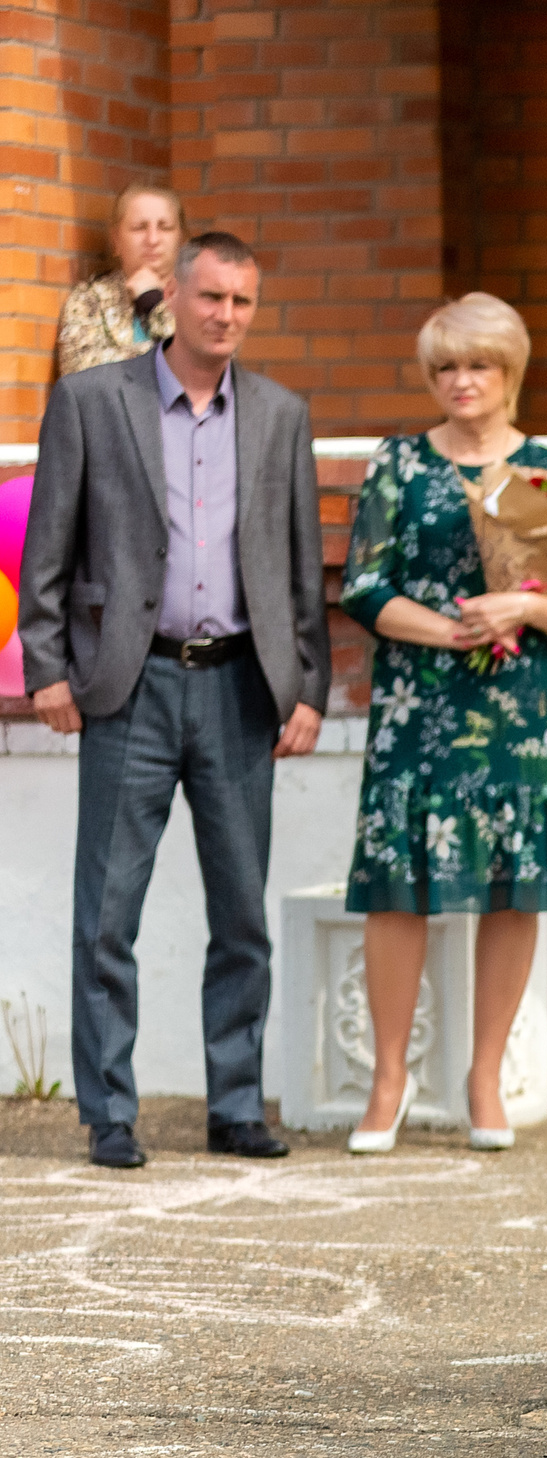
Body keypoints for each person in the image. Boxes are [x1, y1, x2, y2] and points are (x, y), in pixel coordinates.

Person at [20, 230, 328, 1170]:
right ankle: (108, 1112)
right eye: (211, 297)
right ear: (175, 301)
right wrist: (46, 667)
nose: (226, 315)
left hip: (242, 688)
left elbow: (300, 563)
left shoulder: (281, 414)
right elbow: (48, 546)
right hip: (130, 685)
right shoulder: (91, 401)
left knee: (242, 915)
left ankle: (235, 1106)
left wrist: (308, 684)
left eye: (242, 300)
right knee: (107, 914)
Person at [337, 293, 547, 1154]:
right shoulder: (398, 464)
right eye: (446, 366)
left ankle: (484, 1076)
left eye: (479, 364)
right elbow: (363, 589)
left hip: (524, 708)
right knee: (398, 886)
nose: (461, 380)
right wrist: (453, 628)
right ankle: (388, 1080)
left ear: (510, 371)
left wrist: (519, 609)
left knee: (513, 885)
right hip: (420, 703)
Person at [54, 183, 183, 378]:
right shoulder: (91, 299)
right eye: (139, 228)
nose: (152, 239)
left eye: (165, 228)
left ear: (181, 238)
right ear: (116, 240)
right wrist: (166, 358)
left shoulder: (202, 296)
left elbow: (207, 364)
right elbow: (80, 375)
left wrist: (153, 303)